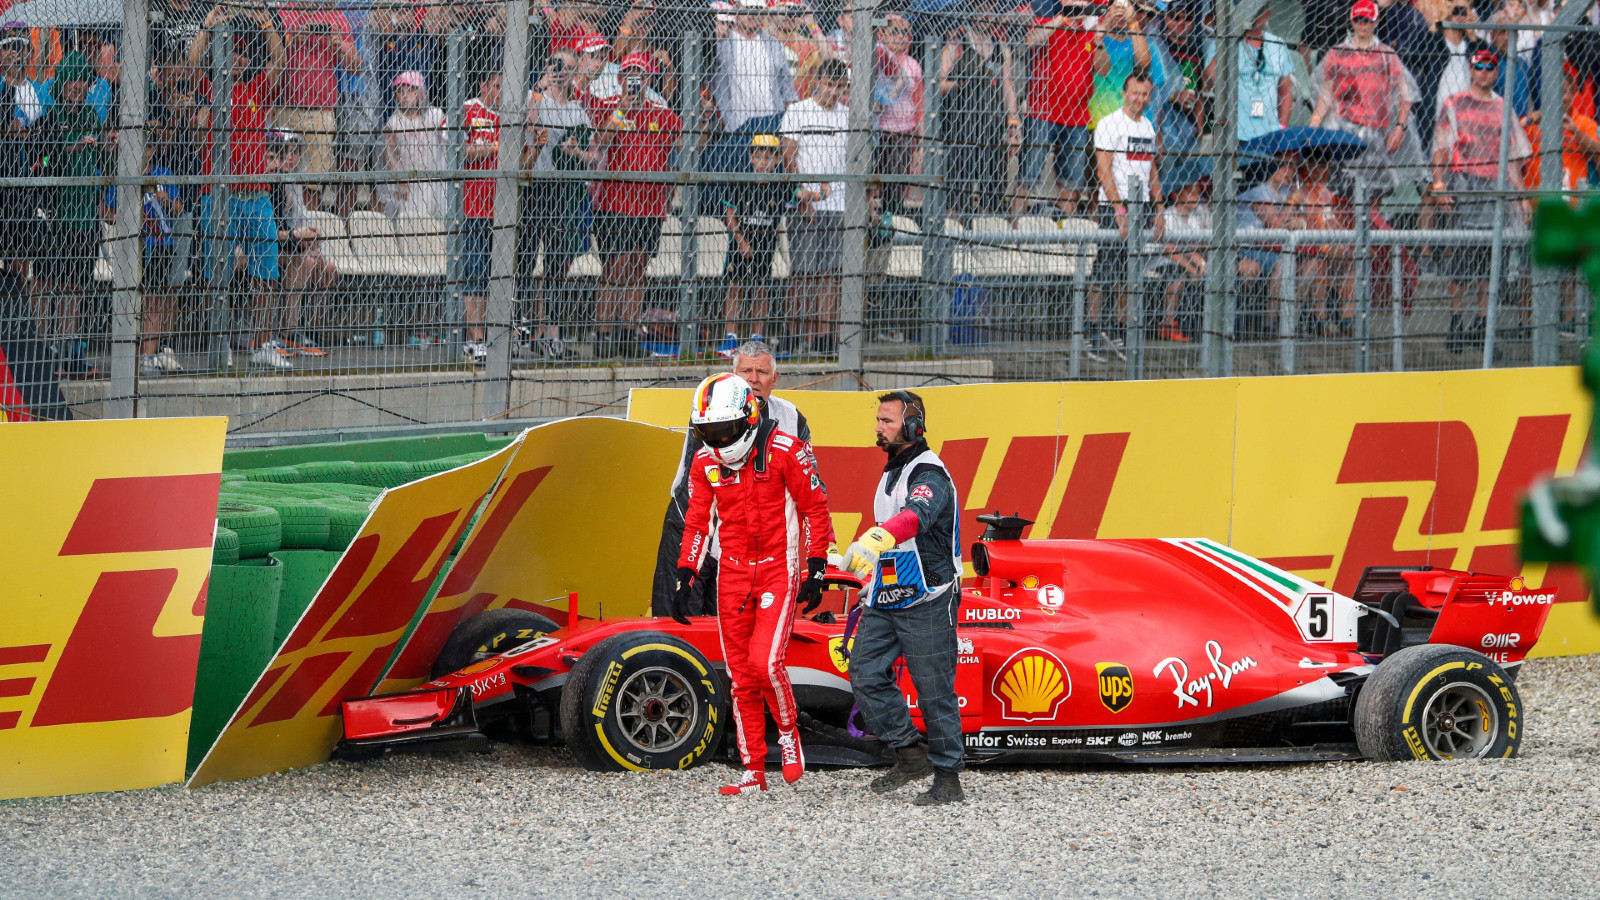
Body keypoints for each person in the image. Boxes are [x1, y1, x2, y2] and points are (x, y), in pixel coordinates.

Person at [673, 372, 833, 796]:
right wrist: (686, 572)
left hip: (780, 567)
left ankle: (788, 733)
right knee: (741, 677)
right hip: (733, 573)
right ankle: (753, 771)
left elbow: (816, 509)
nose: (717, 439)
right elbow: (696, 522)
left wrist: (815, 567)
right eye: (707, 431)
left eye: (724, 429)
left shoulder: (786, 450)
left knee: (765, 663)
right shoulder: (705, 461)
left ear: (747, 418)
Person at [841, 390, 965, 806]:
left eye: (887, 421)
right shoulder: (894, 469)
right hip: (888, 593)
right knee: (864, 672)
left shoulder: (929, 472)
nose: (879, 428)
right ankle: (911, 754)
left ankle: (948, 779)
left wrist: (877, 537)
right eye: (878, 420)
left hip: (930, 595)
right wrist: (866, 573)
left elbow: (917, 514)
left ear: (913, 426)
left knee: (934, 691)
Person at [652, 340, 816, 616]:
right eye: (746, 372)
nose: (753, 380)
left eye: (761, 372)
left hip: (748, 543)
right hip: (692, 525)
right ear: (732, 376)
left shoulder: (792, 418)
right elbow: (698, 484)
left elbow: (813, 487)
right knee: (674, 625)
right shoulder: (711, 410)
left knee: (729, 632)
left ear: (774, 379)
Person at [189, 4, 289, 370]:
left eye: (244, 53)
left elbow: (280, 61)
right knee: (221, 273)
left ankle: (262, 344)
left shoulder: (257, 87)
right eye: (233, 51)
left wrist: (265, 21)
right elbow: (193, 62)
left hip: (257, 195)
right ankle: (220, 343)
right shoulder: (212, 87)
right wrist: (207, 25)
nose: (239, 58)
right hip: (221, 197)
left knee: (267, 275)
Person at [1432, 47, 1530, 353]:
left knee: (1491, 264)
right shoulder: (1455, 103)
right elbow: (1441, 146)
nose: (1484, 71)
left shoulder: (1504, 109)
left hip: (1494, 187)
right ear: (1471, 70)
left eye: (1490, 67)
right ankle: (1456, 325)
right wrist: (1438, 182)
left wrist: (1522, 197)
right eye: (1479, 66)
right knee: (1460, 262)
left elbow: (1513, 157)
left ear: (1496, 72)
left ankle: (1480, 327)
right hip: (1463, 184)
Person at [590, 53, 680, 357]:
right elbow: (600, 142)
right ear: (619, 78)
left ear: (648, 79)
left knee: (638, 267)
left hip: (651, 205)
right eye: (629, 74)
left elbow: (688, 142)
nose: (635, 80)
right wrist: (621, 111)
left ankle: (629, 333)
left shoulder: (662, 112)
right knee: (615, 267)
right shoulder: (610, 107)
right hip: (615, 203)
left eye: (640, 75)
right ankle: (603, 333)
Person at [27, 51, 102, 379]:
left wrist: (107, 145)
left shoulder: (93, 117)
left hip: (86, 215)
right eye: (72, 79)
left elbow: (103, 162)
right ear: (61, 83)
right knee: (46, 282)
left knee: (75, 285)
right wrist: (61, 149)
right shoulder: (48, 119)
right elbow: (35, 162)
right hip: (56, 214)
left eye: (83, 80)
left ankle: (70, 347)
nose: (77, 86)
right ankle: (41, 346)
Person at [521, 50, 595, 360]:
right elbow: (527, 125)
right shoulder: (534, 98)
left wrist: (576, 152)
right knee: (523, 259)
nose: (561, 72)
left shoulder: (578, 110)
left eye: (567, 68)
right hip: (533, 186)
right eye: (556, 66)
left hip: (561, 190)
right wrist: (541, 86)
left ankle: (552, 335)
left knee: (556, 263)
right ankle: (519, 329)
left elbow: (592, 156)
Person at [1310, 0, 1425, 196]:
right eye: (1358, 20)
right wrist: (1315, 121)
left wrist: (1400, 127)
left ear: (1376, 21)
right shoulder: (1338, 54)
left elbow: (1406, 95)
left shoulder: (1386, 55)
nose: (1362, 25)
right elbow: (1326, 93)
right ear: (1352, 21)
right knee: (1343, 195)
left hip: (1377, 138)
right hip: (1344, 136)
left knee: (1376, 194)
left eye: (1367, 20)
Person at [1087, 70, 1163, 361]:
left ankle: (1118, 329)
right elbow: (1103, 170)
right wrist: (1119, 211)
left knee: (1128, 272)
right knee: (1104, 270)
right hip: (1114, 206)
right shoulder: (1109, 124)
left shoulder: (1148, 127)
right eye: (1135, 93)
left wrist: (1159, 208)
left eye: (1145, 94)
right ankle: (1091, 330)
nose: (1140, 99)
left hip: (1140, 205)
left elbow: (1151, 170)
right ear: (1124, 92)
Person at [780, 57, 849, 355]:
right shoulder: (798, 111)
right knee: (804, 271)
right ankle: (794, 333)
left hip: (839, 203)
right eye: (829, 84)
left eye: (839, 86)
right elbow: (788, 156)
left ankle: (823, 336)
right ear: (817, 82)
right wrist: (801, 194)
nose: (833, 92)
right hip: (806, 203)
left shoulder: (849, 116)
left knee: (831, 273)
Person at [937, 4, 1020, 217]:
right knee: (956, 197)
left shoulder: (1001, 47)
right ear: (973, 10)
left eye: (992, 8)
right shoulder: (957, 43)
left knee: (993, 198)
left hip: (991, 129)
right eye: (982, 7)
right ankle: (953, 238)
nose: (987, 14)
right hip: (959, 130)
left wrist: (1013, 125)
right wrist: (961, 83)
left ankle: (988, 239)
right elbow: (937, 84)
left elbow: (1007, 86)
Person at [1015, 8, 1099, 216]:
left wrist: (1100, 39)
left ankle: (1064, 238)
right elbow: (1029, 41)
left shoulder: (1090, 31)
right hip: (1042, 112)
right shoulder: (1048, 21)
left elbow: (1103, 68)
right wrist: (1062, 19)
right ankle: (1014, 234)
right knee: (1027, 177)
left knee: (1072, 185)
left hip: (1077, 117)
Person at [717, 136, 791, 357]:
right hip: (742, 242)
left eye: (768, 157)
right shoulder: (741, 181)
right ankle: (731, 338)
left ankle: (757, 339)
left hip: (765, 243)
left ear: (777, 159)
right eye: (758, 157)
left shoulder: (780, 186)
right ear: (751, 158)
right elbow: (729, 213)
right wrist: (741, 240)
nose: (763, 163)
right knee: (735, 286)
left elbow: (796, 196)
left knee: (761, 289)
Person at [268, 131, 333, 358]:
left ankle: (299, 330)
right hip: (263, 245)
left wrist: (310, 240)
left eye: (295, 153)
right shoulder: (271, 184)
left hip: (285, 243)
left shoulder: (291, 182)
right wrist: (298, 237)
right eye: (286, 153)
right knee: (299, 262)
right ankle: (281, 330)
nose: (290, 159)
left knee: (323, 266)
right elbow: (272, 231)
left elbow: (299, 219)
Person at [1203, 0, 1295, 143]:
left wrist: (1282, 127)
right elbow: (1209, 80)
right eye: (1249, 13)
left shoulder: (1277, 45)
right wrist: (1230, 41)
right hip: (1235, 134)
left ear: (1267, 14)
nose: (1252, 17)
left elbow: (1285, 92)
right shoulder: (1223, 43)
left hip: (1271, 133)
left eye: (1257, 13)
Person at [460, 70, 502, 365]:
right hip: (472, 206)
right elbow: (459, 151)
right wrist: (492, 147)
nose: (500, 92)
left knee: (489, 277)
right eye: (496, 86)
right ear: (484, 84)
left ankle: (485, 337)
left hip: (501, 209)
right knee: (473, 274)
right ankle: (474, 339)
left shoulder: (511, 114)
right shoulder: (468, 109)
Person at [380, 71, 446, 220]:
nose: (405, 95)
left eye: (410, 91)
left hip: (434, 180)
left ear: (421, 93)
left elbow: (449, 139)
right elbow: (389, 154)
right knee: (411, 223)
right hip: (409, 184)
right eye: (400, 91)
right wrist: (400, 178)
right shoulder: (394, 122)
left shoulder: (434, 115)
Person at [874, 14, 922, 218]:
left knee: (896, 185)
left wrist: (921, 142)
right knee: (876, 183)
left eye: (905, 32)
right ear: (882, 33)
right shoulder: (875, 58)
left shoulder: (912, 65)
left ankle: (890, 220)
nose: (900, 36)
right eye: (895, 31)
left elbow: (920, 103)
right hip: (880, 130)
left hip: (904, 132)